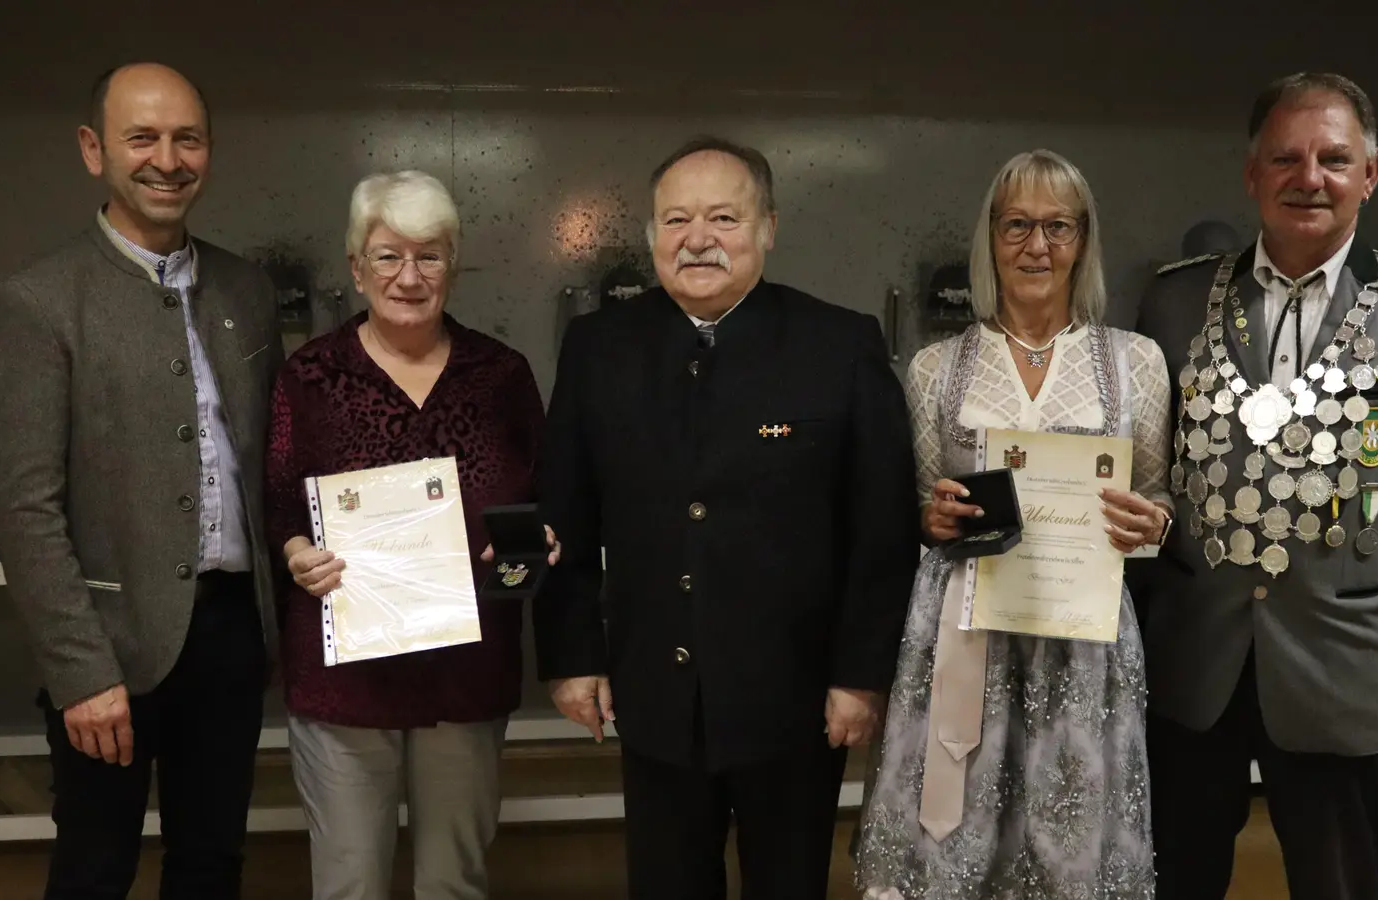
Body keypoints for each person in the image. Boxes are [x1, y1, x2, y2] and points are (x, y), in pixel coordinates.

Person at [1134, 71, 1378, 900]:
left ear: (1371, 174)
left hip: (1344, 665)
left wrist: (1376, 594)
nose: (1310, 178)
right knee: (1174, 878)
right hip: (1197, 660)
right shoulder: (1176, 299)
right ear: (1252, 173)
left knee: (1337, 884)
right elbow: (1155, 470)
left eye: (1335, 158)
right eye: (1286, 158)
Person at [533, 135, 921, 899]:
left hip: (796, 700)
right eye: (676, 220)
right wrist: (572, 655)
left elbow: (881, 529)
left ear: (768, 228)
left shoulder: (839, 345)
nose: (699, 239)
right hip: (653, 692)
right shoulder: (598, 348)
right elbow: (563, 515)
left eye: (723, 218)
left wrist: (861, 675)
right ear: (651, 235)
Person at [0, 62, 281, 899]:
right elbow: (24, 508)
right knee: (94, 869)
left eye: (188, 138)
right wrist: (80, 671)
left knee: (212, 863)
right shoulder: (37, 303)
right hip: (107, 643)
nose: (167, 159)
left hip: (229, 636)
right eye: (141, 138)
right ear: (92, 150)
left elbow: (272, 464)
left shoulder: (247, 292)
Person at [851, 149, 1170, 899]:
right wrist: (932, 516)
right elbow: (924, 508)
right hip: (966, 630)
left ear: (1085, 239)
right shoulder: (938, 366)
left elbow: (1159, 508)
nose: (1037, 246)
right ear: (989, 238)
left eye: (1058, 226)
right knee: (959, 833)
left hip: (1081, 638)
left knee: (1068, 835)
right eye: (1017, 225)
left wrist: (1148, 521)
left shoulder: (1137, 363)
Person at [264, 169, 556, 900]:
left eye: (430, 255)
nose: (409, 276)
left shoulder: (502, 375)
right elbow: (275, 504)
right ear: (357, 267)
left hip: (466, 673)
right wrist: (297, 552)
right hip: (345, 683)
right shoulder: (310, 376)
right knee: (349, 884)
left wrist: (531, 548)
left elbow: (546, 501)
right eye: (388, 255)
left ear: (453, 265)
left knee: (454, 882)